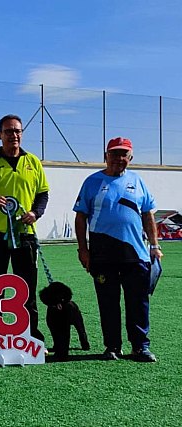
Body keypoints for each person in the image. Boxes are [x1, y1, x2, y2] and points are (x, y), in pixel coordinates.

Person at [74, 137, 162, 362]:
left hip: (135, 254)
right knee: (108, 302)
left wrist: (154, 246)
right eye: (114, 154)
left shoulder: (138, 181)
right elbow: (81, 216)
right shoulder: (92, 182)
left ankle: (140, 346)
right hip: (102, 253)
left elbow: (148, 214)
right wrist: (83, 249)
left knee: (138, 302)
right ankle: (112, 346)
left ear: (130, 158)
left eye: (124, 154)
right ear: (106, 156)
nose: (118, 159)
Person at [0, 114, 49, 341]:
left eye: (17, 131)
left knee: (27, 286)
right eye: (8, 131)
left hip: (25, 235)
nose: (13, 135)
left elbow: (43, 194)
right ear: (0, 135)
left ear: (21, 134)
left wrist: (35, 213)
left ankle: (31, 334)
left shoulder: (33, 162)